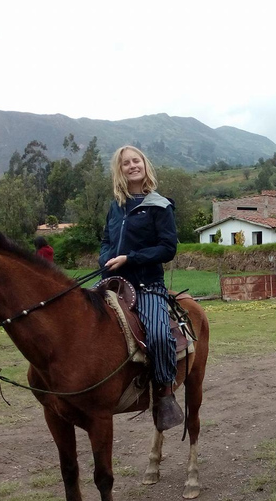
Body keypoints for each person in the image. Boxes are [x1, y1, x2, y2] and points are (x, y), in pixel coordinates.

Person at [99, 145, 184, 431]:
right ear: (119, 170)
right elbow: (106, 241)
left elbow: (167, 248)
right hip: (113, 282)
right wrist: (105, 260)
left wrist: (130, 258)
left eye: (137, 161)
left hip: (147, 284)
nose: (132, 166)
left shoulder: (160, 205)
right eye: (126, 163)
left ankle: (165, 393)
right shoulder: (115, 206)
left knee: (159, 336)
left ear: (145, 165)